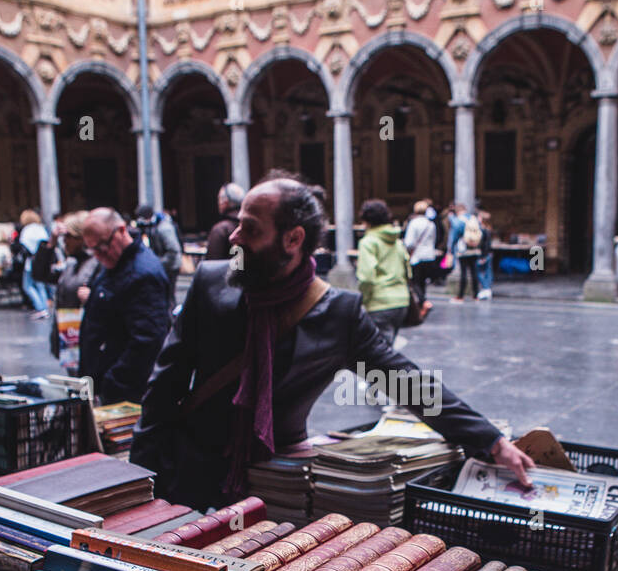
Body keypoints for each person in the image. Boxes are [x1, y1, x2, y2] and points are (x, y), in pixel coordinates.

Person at [130, 171, 534, 511]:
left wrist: (492, 442)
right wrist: (137, 484)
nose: (234, 237)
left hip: (276, 484)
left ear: (293, 239)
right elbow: (162, 388)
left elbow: (406, 382)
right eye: (238, 223)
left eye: (250, 229)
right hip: (188, 473)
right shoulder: (211, 283)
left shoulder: (338, 314)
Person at [80, 207, 171, 404]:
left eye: (102, 246)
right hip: (106, 384)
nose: (99, 255)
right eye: (93, 249)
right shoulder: (115, 263)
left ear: (121, 230)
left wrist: (115, 382)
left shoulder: (143, 273)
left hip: (125, 392)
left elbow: (148, 339)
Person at [46, 212, 100, 372]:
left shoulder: (98, 262)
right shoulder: (71, 264)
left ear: (81, 238)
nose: (64, 241)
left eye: (68, 236)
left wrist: (92, 298)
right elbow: (41, 274)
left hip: (89, 338)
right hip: (69, 337)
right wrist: (51, 243)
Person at [356, 199, 411, 343]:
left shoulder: (368, 242)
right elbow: (408, 271)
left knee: (378, 354)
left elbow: (366, 277)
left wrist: (364, 299)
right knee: (387, 349)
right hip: (401, 301)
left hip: (379, 302)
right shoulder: (397, 242)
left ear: (366, 220)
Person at [134, 203, 182, 297]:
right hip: (163, 263)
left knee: (169, 294)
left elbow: (173, 251)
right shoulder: (152, 225)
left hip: (171, 266)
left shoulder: (164, 228)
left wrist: (157, 263)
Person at [18, 210, 51, 319]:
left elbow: (24, 247)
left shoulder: (26, 230)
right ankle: (45, 309)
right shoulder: (41, 228)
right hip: (41, 261)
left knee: (27, 286)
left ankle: (40, 308)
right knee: (40, 286)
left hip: (31, 262)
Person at [403, 199, 437, 300]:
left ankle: (422, 301)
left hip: (417, 256)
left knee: (415, 281)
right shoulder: (431, 224)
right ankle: (423, 298)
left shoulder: (414, 223)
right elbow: (433, 240)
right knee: (423, 281)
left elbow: (409, 242)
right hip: (429, 255)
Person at [205, 183, 245, 261]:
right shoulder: (249, 226)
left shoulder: (220, 229)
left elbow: (212, 265)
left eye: (219, 199)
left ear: (225, 202)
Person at [454, 210, 484, 302]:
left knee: (463, 273)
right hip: (475, 251)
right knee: (474, 273)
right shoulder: (476, 222)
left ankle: (460, 296)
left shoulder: (461, 222)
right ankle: (475, 295)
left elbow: (456, 235)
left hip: (464, 252)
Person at [476, 210, 494, 300]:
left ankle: (486, 288)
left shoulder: (483, 230)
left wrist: (483, 255)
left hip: (484, 254)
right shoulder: (488, 229)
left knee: (479, 272)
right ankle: (487, 288)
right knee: (487, 272)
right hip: (488, 253)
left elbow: (485, 244)